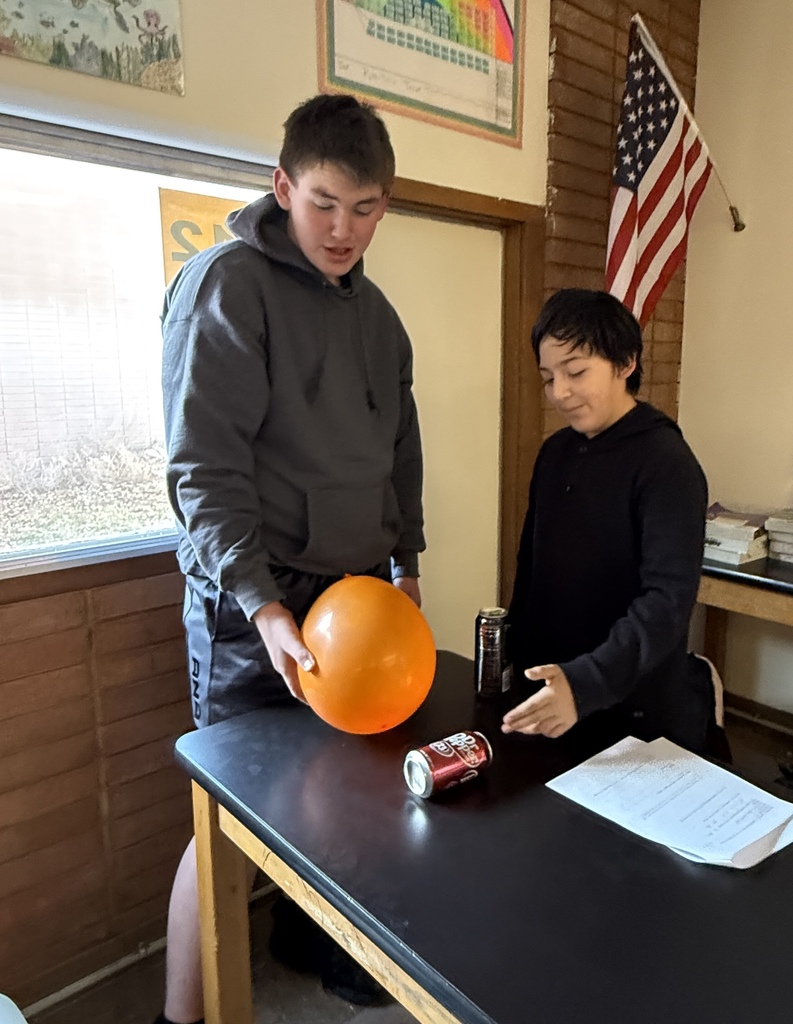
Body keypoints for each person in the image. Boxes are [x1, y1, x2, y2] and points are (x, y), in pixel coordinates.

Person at [156, 93, 425, 1024]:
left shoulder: (379, 316)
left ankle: (310, 943)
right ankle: (179, 1016)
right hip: (254, 599)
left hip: (355, 592)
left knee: (339, 790)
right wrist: (265, 607)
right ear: (282, 186)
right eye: (323, 203)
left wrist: (408, 563)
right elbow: (202, 466)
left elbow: (401, 451)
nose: (344, 229)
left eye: (365, 207)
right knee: (226, 819)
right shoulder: (226, 284)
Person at [503, 289, 728, 760]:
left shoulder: (666, 463)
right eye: (548, 377)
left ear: (625, 362)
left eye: (577, 371)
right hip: (553, 698)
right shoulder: (555, 453)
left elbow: (666, 603)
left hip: (631, 713)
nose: (560, 392)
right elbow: (534, 571)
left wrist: (585, 684)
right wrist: (514, 661)